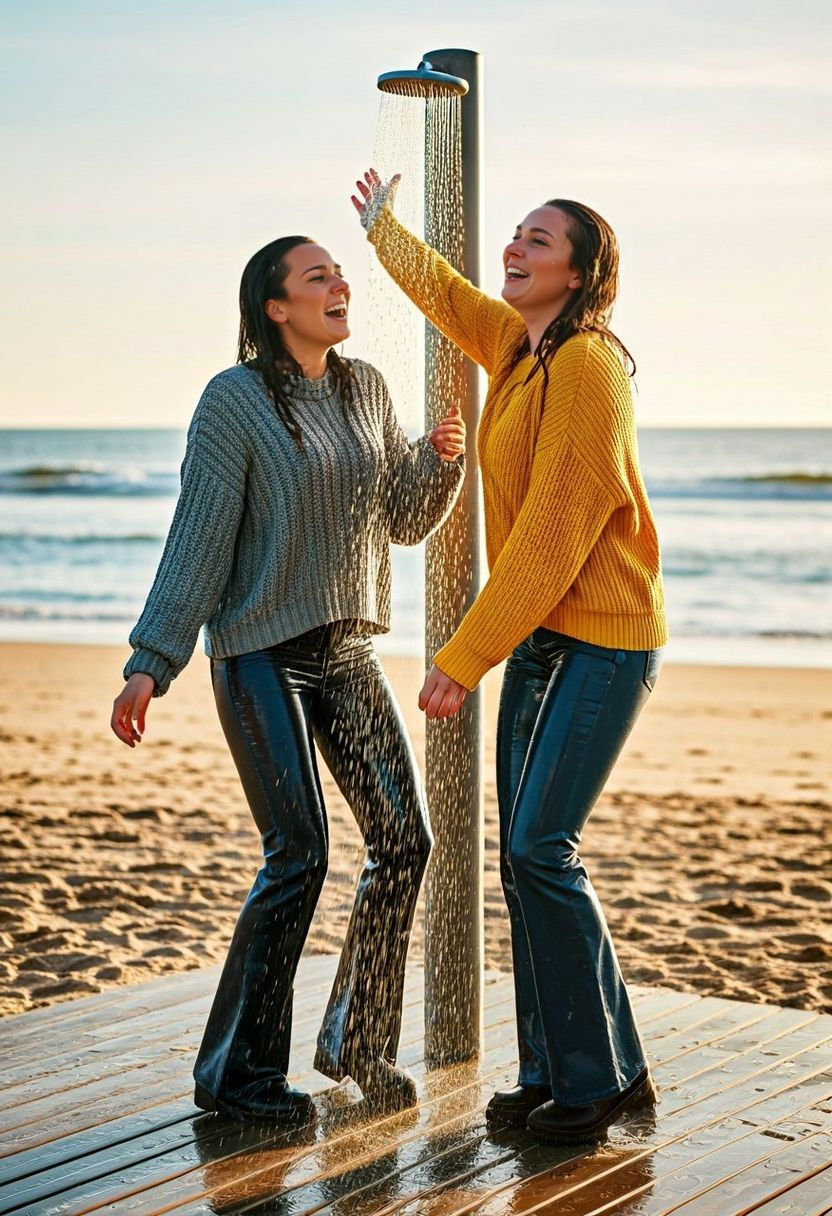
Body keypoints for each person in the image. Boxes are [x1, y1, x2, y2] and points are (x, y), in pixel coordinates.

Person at [110, 233, 465, 1123]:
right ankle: (237, 1077)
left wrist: (439, 461)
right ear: (277, 308)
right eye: (318, 277)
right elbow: (199, 537)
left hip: (348, 654)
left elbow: (402, 520)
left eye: (338, 273)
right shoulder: (232, 401)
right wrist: (151, 663)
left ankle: (357, 1042)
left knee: (405, 841)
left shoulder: (365, 387)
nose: (340, 284)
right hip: (260, 655)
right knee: (299, 852)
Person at [353, 169, 668, 1145]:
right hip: (540, 640)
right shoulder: (518, 350)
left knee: (540, 849)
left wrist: (463, 655)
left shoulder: (587, 367)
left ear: (579, 272)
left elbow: (554, 533)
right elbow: (448, 294)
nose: (516, 247)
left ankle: (596, 1081)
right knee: (528, 864)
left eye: (539, 239)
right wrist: (381, 229)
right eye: (517, 233)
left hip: (603, 641)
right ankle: (564, 1071)